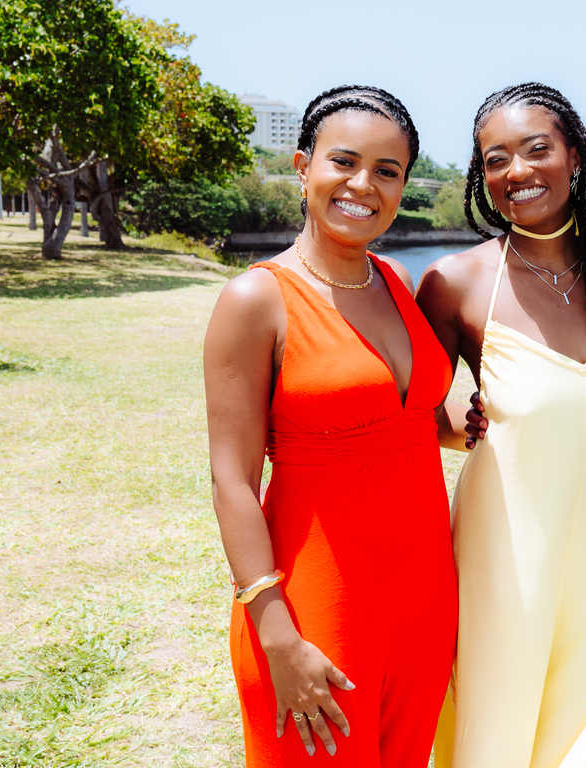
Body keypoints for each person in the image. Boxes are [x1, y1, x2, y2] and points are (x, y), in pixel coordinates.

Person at [415, 82, 586, 768]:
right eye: (495, 159)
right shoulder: (456, 282)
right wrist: (448, 421)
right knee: (498, 733)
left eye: (536, 150)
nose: (517, 171)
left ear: (574, 157)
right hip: (502, 556)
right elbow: (409, 408)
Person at [204, 85, 463, 766]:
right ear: (301, 165)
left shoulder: (398, 283)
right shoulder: (257, 298)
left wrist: (463, 424)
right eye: (343, 161)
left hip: (425, 600)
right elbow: (232, 479)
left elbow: (405, 418)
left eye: (387, 171)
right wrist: (277, 634)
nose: (362, 185)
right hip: (316, 606)